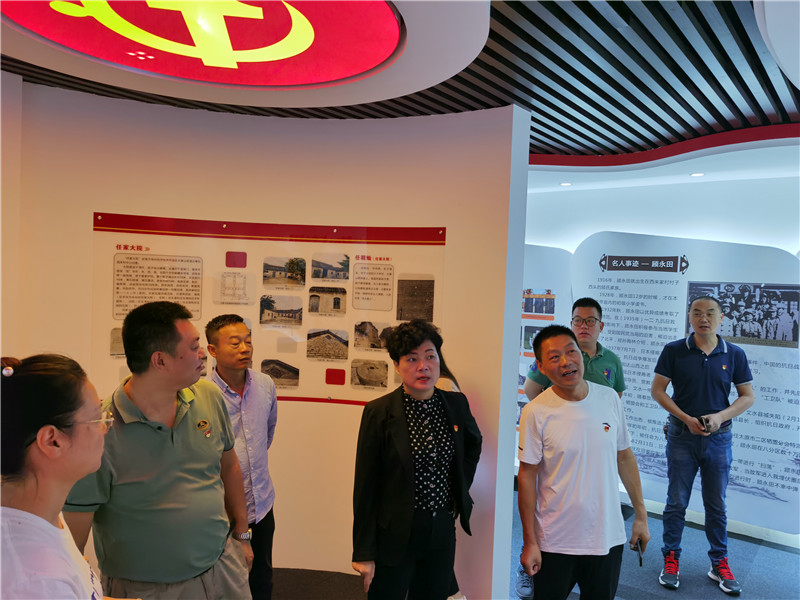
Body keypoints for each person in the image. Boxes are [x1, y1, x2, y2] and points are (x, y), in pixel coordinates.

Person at [64, 301, 253, 600]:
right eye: (194, 347)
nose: (203, 353)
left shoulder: (208, 396)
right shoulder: (100, 432)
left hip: (222, 571)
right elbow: (75, 532)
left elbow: (229, 466)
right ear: (160, 361)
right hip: (145, 589)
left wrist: (242, 535)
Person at [352, 319, 482, 600]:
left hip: (441, 530)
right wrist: (363, 552)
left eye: (430, 356)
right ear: (397, 366)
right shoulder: (379, 412)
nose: (423, 366)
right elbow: (365, 485)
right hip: (395, 533)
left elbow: (473, 445)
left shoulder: (456, 404)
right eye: (412, 359)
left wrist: (458, 488)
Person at [518, 326, 649, 600]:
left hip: (607, 537)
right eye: (554, 357)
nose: (566, 362)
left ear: (581, 354)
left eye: (571, 351)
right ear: (541, 367)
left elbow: (624, 456)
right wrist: (530, 541)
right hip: (555, 540)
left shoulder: (609, 398)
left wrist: (641, 515)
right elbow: (527, 476)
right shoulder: (536, 411)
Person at [651, 296, 754, 595]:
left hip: (719, 439)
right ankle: (671, 559)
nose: (703, 318)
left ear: (722, 318)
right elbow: (658, 390)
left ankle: (719, 562)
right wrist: (685, 417)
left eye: (710, 313)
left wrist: (720, 417)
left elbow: (747, 396)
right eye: (697, 313)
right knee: (676, 502)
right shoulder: (673, 350)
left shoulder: (734, 354)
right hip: (681, 436)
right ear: (689, 317)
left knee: (716, 504)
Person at [1, 355, 112, 599]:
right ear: (52, 440)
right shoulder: (37, 582)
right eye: (96, 419)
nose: (105, 428)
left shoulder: (43, 513)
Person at [206, 314, 278, 600]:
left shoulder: (265, 384)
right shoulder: (202, 394)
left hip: (261, 504)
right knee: (222, 584)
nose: (245, 348)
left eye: (248, 341)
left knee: (261, 580)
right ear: (212, 350)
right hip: (220, 511)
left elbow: (266, 436)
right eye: (235, 343)